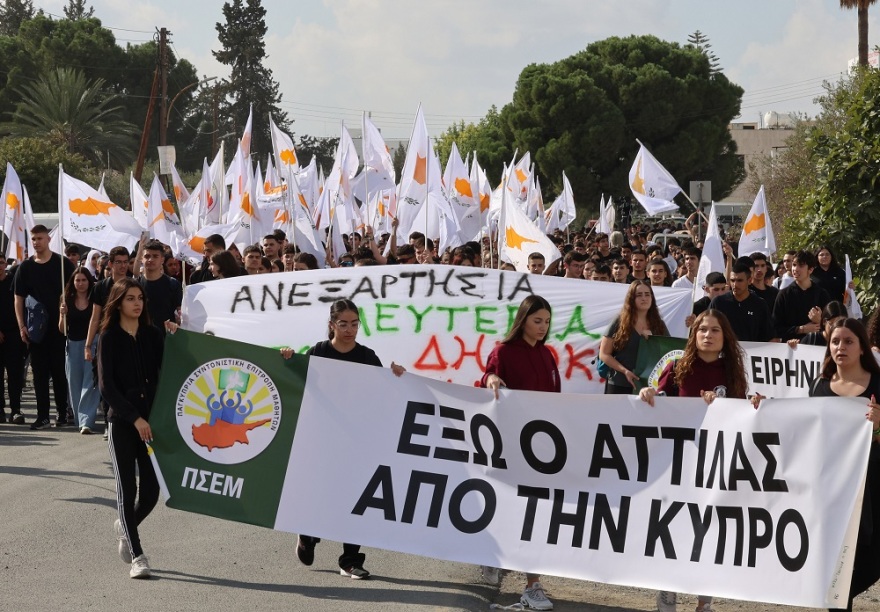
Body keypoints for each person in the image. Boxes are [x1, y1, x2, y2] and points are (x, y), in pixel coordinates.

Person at [282, 299, 405, 580]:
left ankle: (350, 560)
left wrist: (398, 376)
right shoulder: (319, 352)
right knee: (323, 491)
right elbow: (294, 380)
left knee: (356, 497)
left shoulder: (367, 356)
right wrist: (288, 358)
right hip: (322, 436)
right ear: (331, 325)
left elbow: (384, 391)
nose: (349, 330)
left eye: (354, 324)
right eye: (343, 324)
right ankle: (309, 534)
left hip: (356, 438)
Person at [639, 309, 750, 612]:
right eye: (702, 329)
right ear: (694, 333)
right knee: (672, 527)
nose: (707, 335)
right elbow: (660, 403)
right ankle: (667, 591)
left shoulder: (732, 372)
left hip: (714, 463)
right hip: (677, 463)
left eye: (715, 330)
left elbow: (741, 416)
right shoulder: (677, 367)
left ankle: (704, 601)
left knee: (707, 530)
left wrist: (735, 406)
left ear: (724, 336)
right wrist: (650, 393)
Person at [480, 295, 558, 611]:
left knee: (535, 514)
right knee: (510, 508)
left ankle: (532, 584)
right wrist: (492, 378)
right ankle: (492, 554)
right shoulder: (503, 352)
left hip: (542, 448)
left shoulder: (548, 355)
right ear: (523, 319)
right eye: (537, 320)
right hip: (511, 445)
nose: (542, 327)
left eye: (547, 322)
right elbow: (487, 378)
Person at [98, 278, 172, 579]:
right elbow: (106, 386)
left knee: (152, 491)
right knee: (126, 489)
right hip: (123, 423)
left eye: (140, 298)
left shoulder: (152, 335)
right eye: (130, 298)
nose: (137, 303)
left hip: (151, 421)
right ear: (118, 302)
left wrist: (175, 338)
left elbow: (169, 368)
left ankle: (125, 526)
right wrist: (134, 418)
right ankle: (138, 555)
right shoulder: (109, 337)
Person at [809, 318, 880, 612]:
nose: (841, 347)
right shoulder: (820, 386)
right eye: (835, 341)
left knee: (872, 559)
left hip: (875, 489)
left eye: (849, 341)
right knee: (837, 575)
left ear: (862, 347)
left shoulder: (878, 384)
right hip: (837, 493)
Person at [14, 225, 75, 429]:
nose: (36, 242)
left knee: (59, 372)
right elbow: (18, 299)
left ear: (48, 239)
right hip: (36, 331)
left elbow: (77, 289)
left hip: (59, 327)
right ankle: (42, 416)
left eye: (39, 238)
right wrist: (22, 326)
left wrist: (69, 313)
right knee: (39, 374)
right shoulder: (26, 267)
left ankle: (62, 412)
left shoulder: (62, 264)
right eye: (33, 239)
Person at [600, 282, 669, 395]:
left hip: (648, 386)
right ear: (631, 299)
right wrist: (625, 371)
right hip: (619, 383)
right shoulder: (619, 322)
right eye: (639, 295)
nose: (644, 298)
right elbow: (604, 354)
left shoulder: (659, 324)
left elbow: (668, 352)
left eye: (647, 294)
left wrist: (653, 340)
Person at [59, 267, 101, 434]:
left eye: (84, 280)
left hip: (92, 343)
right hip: (73, 344)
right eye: (78, 280)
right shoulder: (66, 299)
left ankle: (87, 421)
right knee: (74, 384)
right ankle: (80, 419)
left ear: (89, 281)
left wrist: (90, 344)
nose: (81, 283)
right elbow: (62, 329)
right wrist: (63, 314)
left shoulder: (94, 298)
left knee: (90, 383)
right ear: (73, 282)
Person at [708, 261, 776, 342]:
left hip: (752, 353)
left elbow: (769, 336)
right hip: (724, 353)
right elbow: (708, 327)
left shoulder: (760, 304)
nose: (735, 284)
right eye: (732, 280)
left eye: (740, 280)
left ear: (750, 280)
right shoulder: (718, 302)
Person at [772, 250, 831, 341]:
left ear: (810, 269)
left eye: (801, 265)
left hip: (817, 348)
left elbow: (833, 326)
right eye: (794, 265)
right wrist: (800, 329)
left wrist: (820, 321)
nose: (795, 269)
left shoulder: (822, 294)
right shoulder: (784, 295)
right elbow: (776, 328)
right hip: (792, 350)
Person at [0, 257, 25, 423]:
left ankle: (15, 409)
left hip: (14, 335)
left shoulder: (13, 282)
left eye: (1, 262)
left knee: (15, 374)